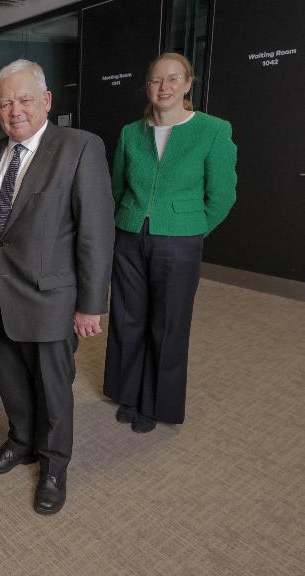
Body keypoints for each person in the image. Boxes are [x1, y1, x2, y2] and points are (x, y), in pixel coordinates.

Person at [0, 59, 114, 515]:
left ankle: (54, 465)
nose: (15, 110)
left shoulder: (79, 148)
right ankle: (22, 441)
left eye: (25, 99)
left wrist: (91, 305)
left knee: (53, 388)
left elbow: (95, 231)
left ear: (46, 100)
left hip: (51, 296)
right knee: (8, 378)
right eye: (5, 102)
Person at [103, 52, 237, 433]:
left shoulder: (213, 130)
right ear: (147, 87)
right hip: (129, 235)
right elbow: (116, 187)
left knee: (168, 324)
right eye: (156, 81)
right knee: (128, 319)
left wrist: (192, 229)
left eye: (172, 79)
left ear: (188, 83)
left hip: (179, 243)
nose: (164, 88)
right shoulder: (131, 132)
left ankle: (156, 404)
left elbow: (223, 196)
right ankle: (126, 393)